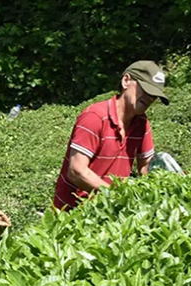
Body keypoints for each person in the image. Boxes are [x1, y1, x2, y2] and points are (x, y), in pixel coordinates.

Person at [53, 61, 169, 210]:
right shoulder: (94, 117)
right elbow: (76, 171)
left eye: (154, 95)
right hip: (74, 213)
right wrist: (118, 195)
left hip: (110, 209)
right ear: (126, 81)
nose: (150, 98)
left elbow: (146, 168)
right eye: (145, 90)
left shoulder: (141, 123)